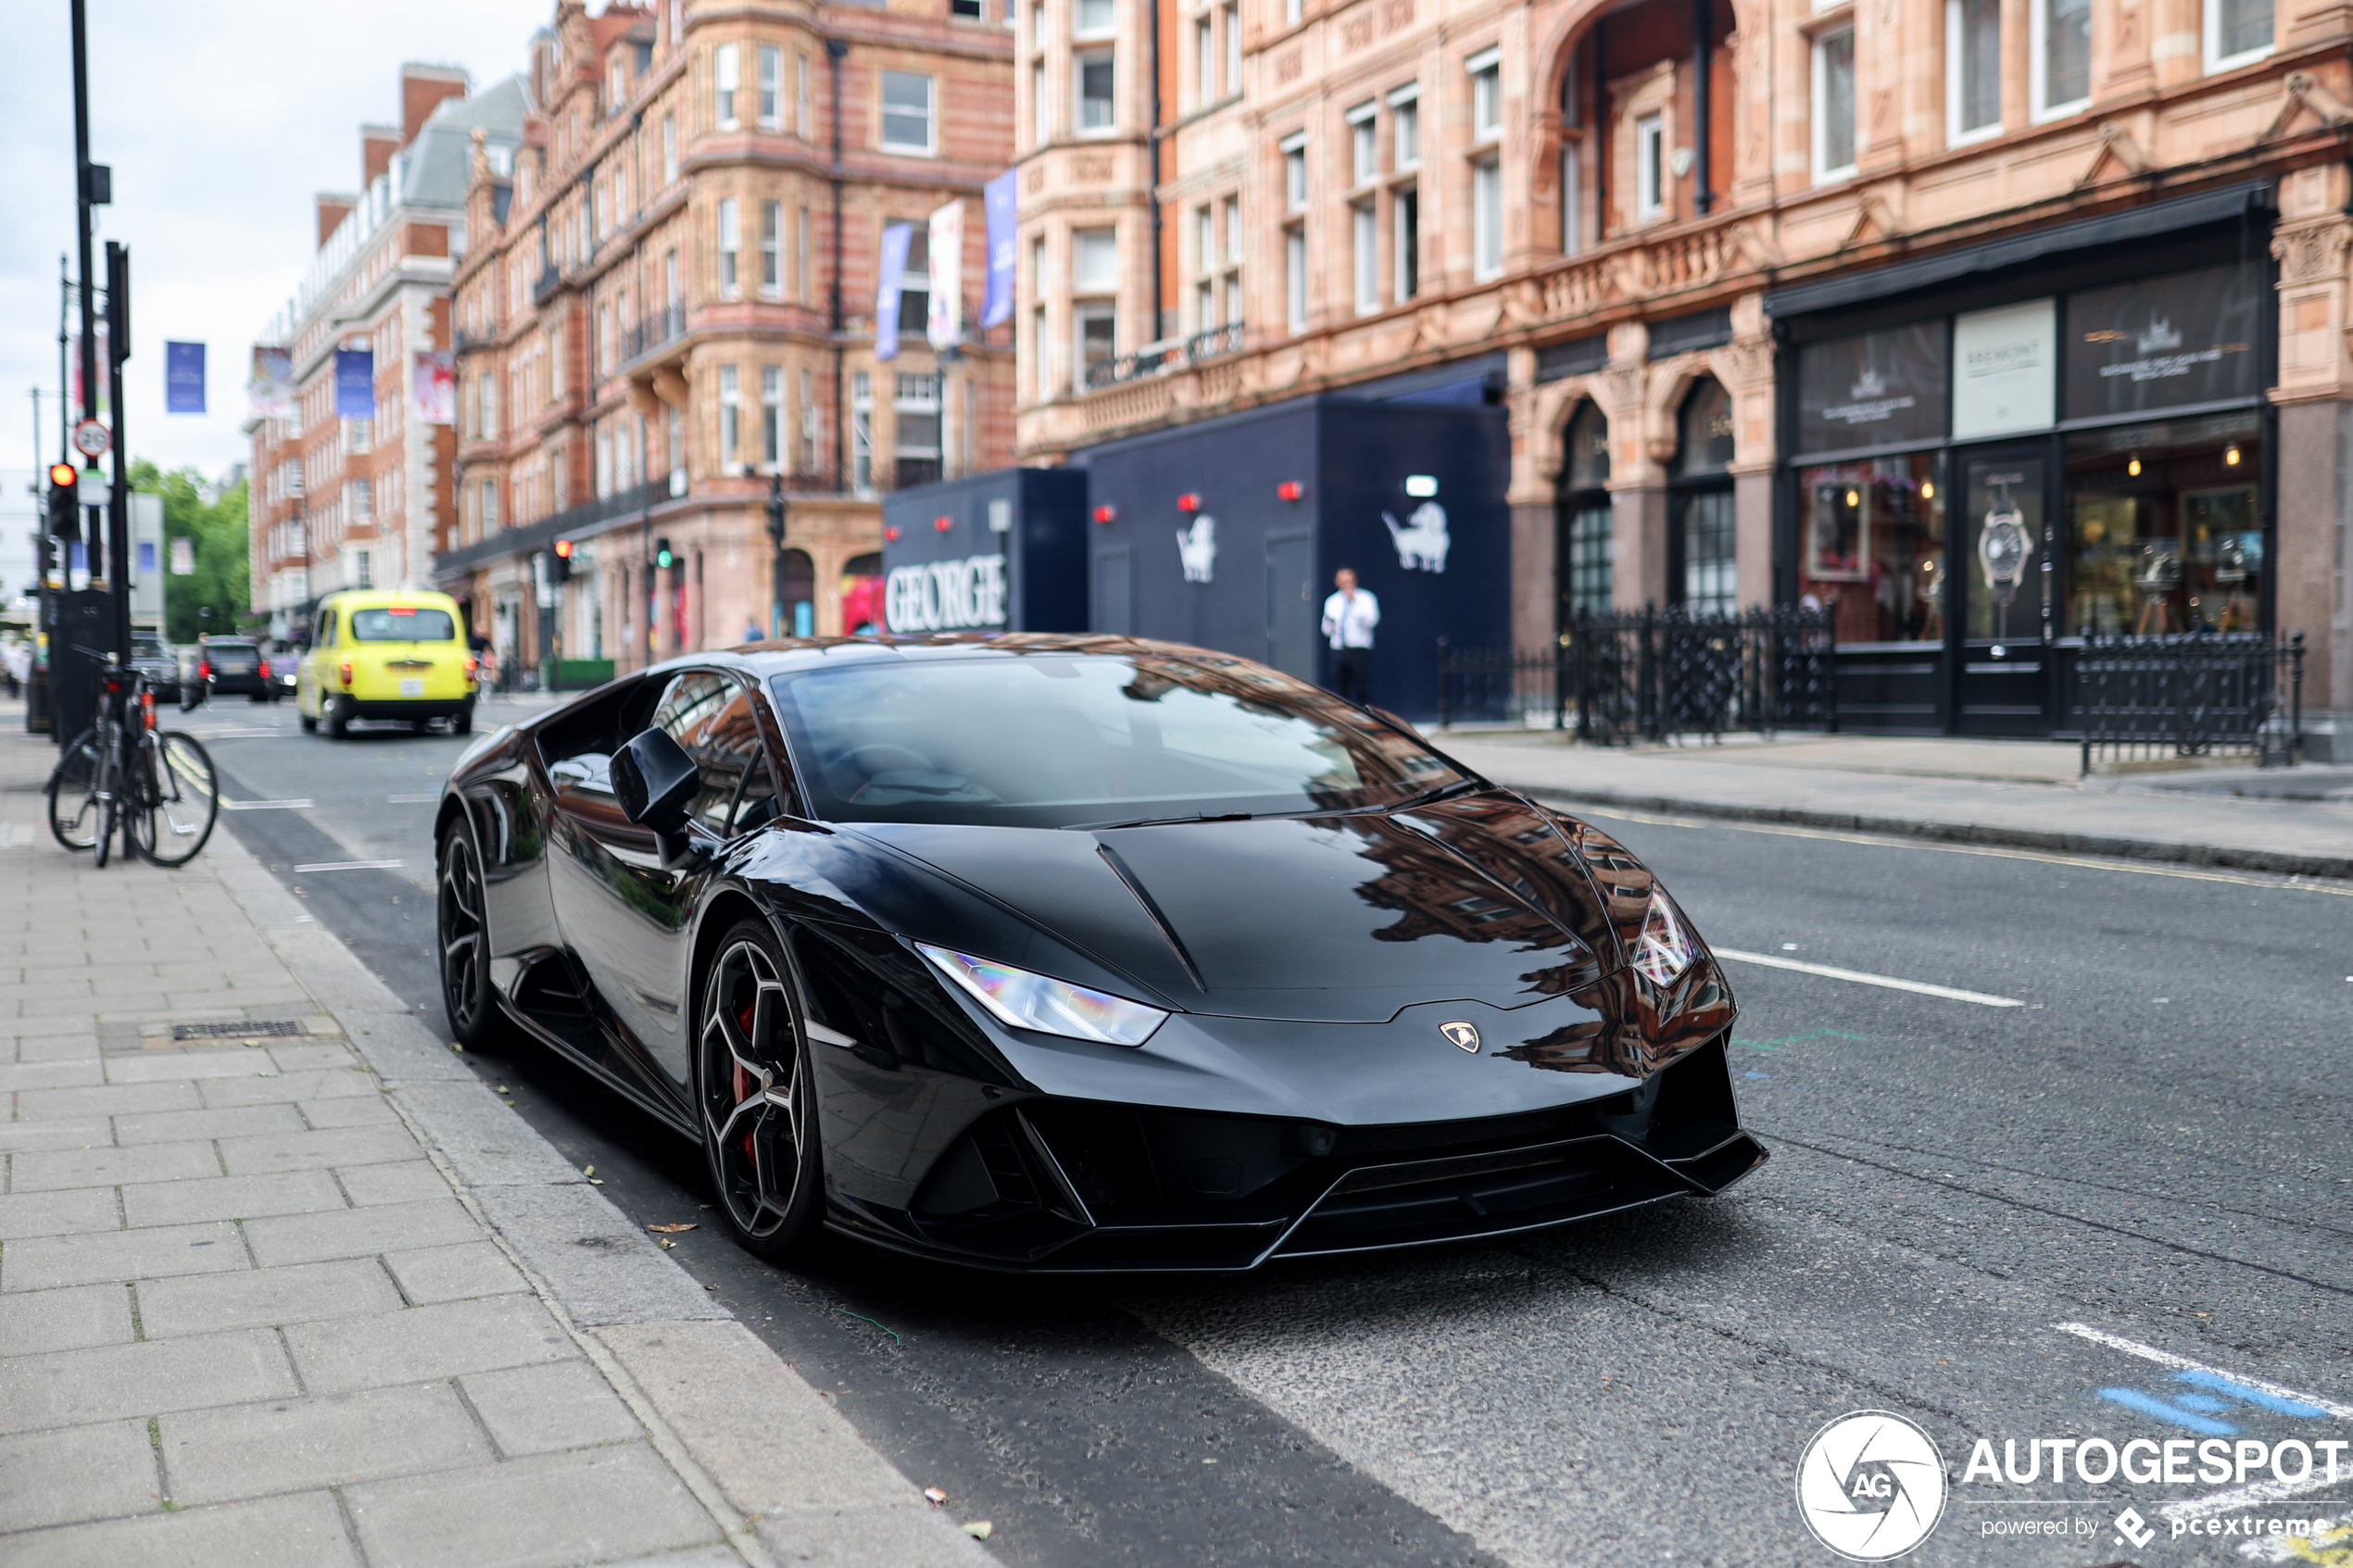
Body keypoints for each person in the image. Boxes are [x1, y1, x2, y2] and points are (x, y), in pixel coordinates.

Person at [1320, 566, 1378, 706]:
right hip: (1339, 650)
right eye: (1343, 581)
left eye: (1349, 581)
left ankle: (1366, 719)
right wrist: (1331, 624)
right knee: (1340, 689)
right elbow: (1326, 629)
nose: (1347, 585)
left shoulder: (1366, 599)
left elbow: (1371, 621)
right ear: (1337, 582)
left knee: (1361, 688)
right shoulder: (1332, 602)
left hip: (1358, 650)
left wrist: (1354, 603)